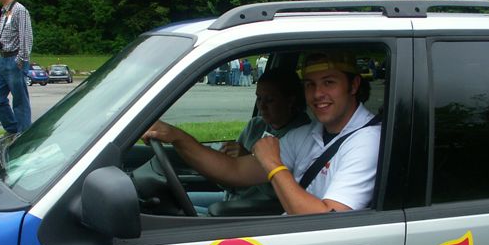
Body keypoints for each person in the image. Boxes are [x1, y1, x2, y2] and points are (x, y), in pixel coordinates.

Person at [143, 50, 381, 215]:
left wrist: (273, 165)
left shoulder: (367, 141)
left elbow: (328, 219)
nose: (318, 94)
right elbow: (234, 170)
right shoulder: (310, 133)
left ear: (353, 85)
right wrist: (177, 137)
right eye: (310, 84)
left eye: (329, 82)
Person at [218, 68, 310, 203]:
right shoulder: (255, 125)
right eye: (259, 98)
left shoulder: (302, 135)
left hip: (255, 208)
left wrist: (248, 160)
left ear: (290, 101)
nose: (262, 106)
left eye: (270, 100)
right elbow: (229, 176)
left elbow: (282, 193)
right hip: (231, 198)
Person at [0, 0, 33, 135]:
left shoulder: (20, 10)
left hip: (15, 60)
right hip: (2, 60)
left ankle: (24, 134)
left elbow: (26, 38)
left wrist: (20, 60)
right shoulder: (4, 11)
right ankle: (13, 130)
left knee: (19, 101)